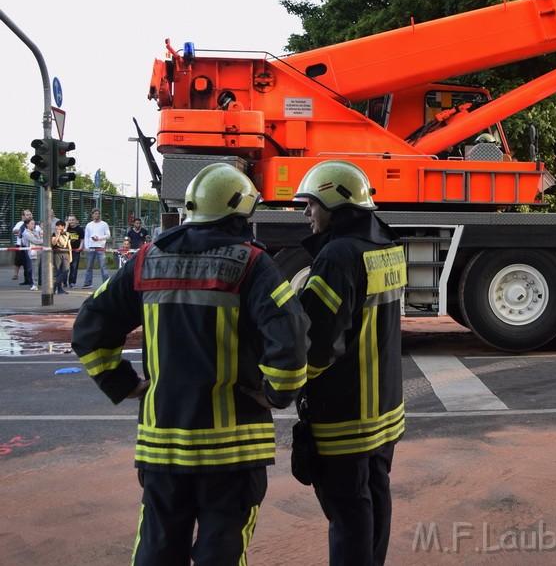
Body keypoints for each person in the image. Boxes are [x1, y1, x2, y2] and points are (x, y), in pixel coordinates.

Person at [71, 163, 311, 564]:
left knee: (157, 546)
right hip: (232, 449)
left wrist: (123, 384)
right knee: (222, 550)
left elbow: (89, 329)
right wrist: (277, 394)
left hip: (162, 442)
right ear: (242, 213)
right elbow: (291, 335)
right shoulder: (251, 264)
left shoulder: (146, 259)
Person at [293, 160, 407, 565]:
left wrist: (286, 386)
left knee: (348, 515)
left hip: (344, 412)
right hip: (384, 410)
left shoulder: (337, 256)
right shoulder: (387, 246)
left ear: (334, 203)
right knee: (375, 498)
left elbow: (316, 345)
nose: (306, 213)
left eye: (310, 204)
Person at [81, 208, 111, 288]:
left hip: (100, 247)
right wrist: (87, 247)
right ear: (92, 215)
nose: (97, 215)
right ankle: (87, 283)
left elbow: (108, 235)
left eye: (98, 213)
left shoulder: (104, 224)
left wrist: (99, 238)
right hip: (91, 247)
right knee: (89, 266)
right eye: (95, 214)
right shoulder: (89, 225)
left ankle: (106, 283)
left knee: (103, 266)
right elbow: (86, 236)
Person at [51, 220, 72, 295]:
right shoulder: (54, 234)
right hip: (57, 254)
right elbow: (53, 243)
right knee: (58, 271)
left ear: (63, 226)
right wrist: (58, 235)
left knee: (66, 269)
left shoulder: (67, 234)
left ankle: (55, 284)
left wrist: (70, 255)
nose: (57, 227)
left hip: (65, 253)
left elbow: (69, 245)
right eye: (57, 226)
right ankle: (59, 289)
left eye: (59, 225)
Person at [11, 209, 32, 283]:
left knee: (28, 263)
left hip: (30, 245)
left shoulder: (32, 223)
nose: (29, 216)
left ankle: (28, 279)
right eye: (27, 215)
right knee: (18, 261)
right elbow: (14, 231)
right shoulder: (20, 223)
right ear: (23, 216)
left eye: (30, 214)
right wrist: (21, 230)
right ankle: (16, 274)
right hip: (20, 245)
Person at [65, 215, 85, 288]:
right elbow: (62, 234)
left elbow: (82, 239)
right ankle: (64, 282)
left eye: (73, 220)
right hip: (66, 250)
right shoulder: (66, 229)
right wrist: (66, 226)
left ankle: (72, 283)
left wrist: (80, 248)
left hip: (76, 250)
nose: (71, 222)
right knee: (65, 267)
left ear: (76, 221)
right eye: (69, 220)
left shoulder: (79, 229)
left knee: (74, 267)